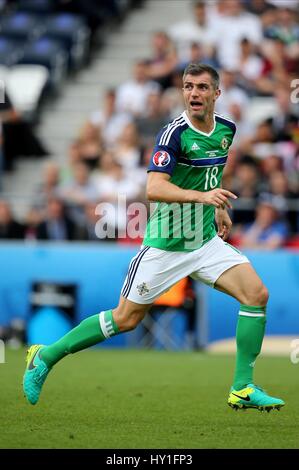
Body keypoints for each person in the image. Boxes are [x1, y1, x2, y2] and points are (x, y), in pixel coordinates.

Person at [23, 63, 285, 412]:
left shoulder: (227, 128)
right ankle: (46, 356)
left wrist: (218, 203)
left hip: (204, 241)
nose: (194, 93)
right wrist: (202, 198)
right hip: (166, 246)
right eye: (188, 86)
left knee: (256, 294)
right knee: (126, 319)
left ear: (216, 94)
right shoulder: (172, 134)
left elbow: (213, 170)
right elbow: (154, 187)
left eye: (203, 87)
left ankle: (242, 387)